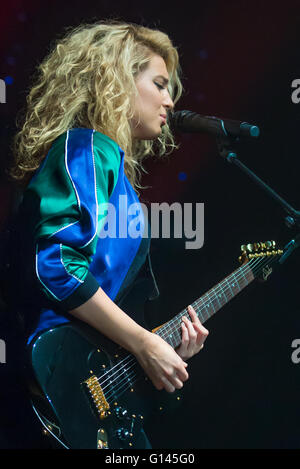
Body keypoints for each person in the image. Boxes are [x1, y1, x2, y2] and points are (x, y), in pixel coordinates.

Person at [7, 20, 209, 447]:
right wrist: (143, 343)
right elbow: (58, 266)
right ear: (117, 81)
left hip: (79, 381)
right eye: (159, 83)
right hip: (49, 373)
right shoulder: (86, 148)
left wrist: (160, 350)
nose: (170, 101)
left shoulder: (111, 168)